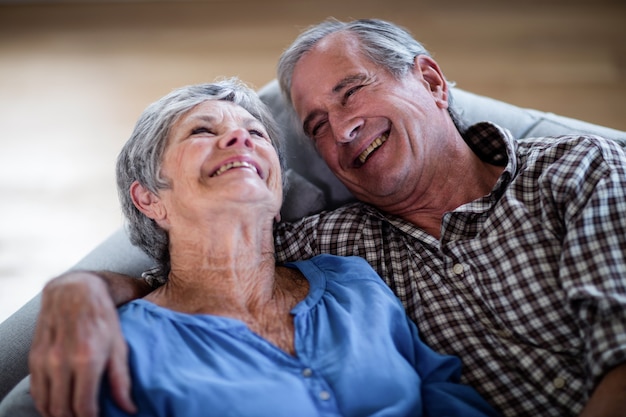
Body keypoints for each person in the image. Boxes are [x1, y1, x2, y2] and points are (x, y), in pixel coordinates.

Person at [10, 18, 626, 417]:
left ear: (433, 82)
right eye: (314, 127)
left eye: (352, 91)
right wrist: (83, 286)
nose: (342, 129)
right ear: (150, 197)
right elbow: (206, 269)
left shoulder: (576, 171)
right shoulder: (340, 248)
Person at [16, 78, 499, 417]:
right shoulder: (122, 345)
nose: (238, 138)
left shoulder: (353, 281)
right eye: (203, 131)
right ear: (150, 199)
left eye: (256, 134)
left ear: (277, 192)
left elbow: (444, 393)